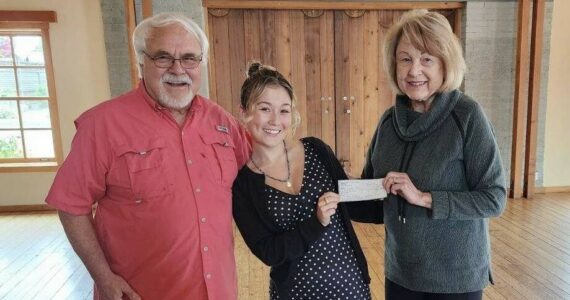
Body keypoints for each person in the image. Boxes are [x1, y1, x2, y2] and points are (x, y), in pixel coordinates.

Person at [45, 13, 250, 300]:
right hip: (141, 292)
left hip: (218, 291)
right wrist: (103, 277)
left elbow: (257, 175)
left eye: (190, 58)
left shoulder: (223, 122)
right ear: (142, 61)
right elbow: (71, 206)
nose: (178, 69)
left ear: (201, 63)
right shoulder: (102, 125)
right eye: (163, 57)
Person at [352, 9, 507, 300]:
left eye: (427, 59)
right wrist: (328, 190)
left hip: (455, 279)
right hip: (401, 275)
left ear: (445, 64)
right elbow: (373, 203)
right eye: (405, 59)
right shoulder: (388, 123)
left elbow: (494, 198)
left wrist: (423, 197)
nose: (414, 71)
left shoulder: (467, 116)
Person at [232, 61, 371, 300]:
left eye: (284, 110)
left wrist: (385, 189)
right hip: (295, 292)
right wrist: (316, 222)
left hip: (349, 285)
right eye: (265, 109)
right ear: (244, 111)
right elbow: (268, 251)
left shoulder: (316, 150)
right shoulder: (244, 184)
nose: (276, 120)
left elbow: (352, 201)